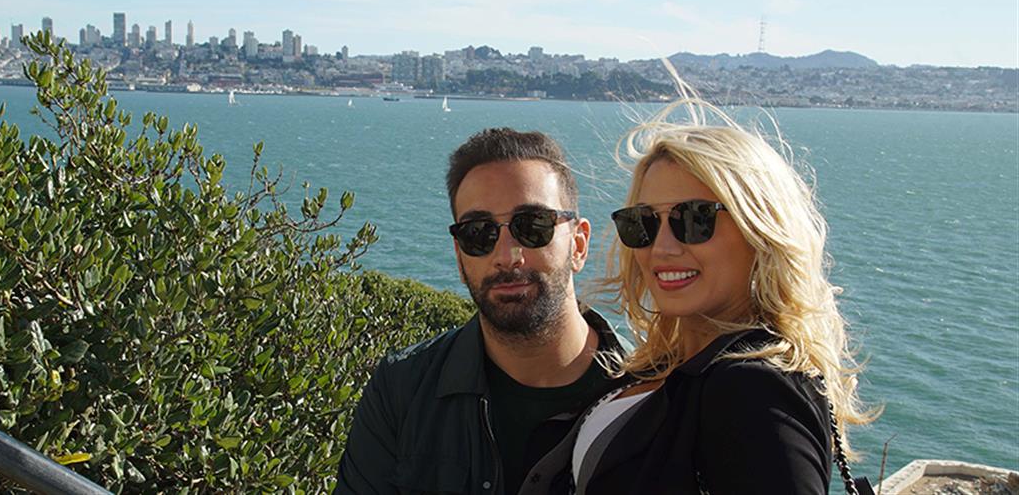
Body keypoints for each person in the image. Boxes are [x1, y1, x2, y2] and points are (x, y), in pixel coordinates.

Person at [522, 90, 875, 494]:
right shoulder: (675, 366)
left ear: (759, 231)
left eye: (694, 219)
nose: (661, 248)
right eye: (644, 222)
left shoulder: (754, 391)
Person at [335, 128, 628, 494]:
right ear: (460, 258)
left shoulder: (648, 397)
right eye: (478, 233)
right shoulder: (402, 391)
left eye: (533, 226)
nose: (506, 256)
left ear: (579, 245)